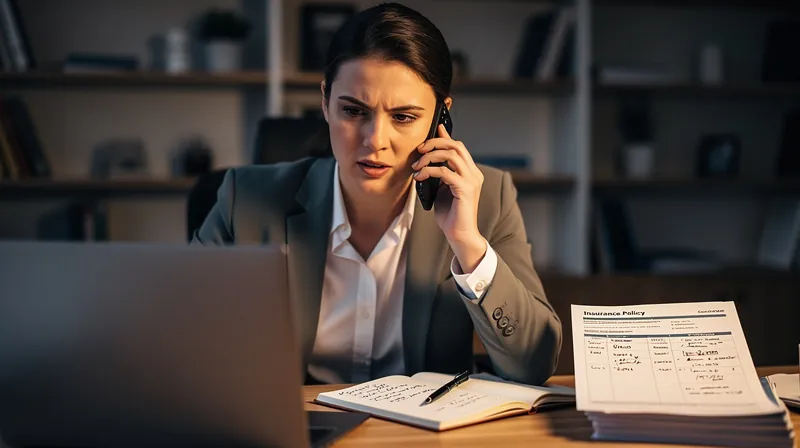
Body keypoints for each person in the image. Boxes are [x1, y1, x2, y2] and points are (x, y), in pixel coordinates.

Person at [193, 2, 562, 386]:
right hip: (296, 417)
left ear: (440, 117)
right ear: (325, 102)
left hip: (421, 423)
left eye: (403, 117)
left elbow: (534, 365)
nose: (375, 141)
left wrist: (468, 244)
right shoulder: (244, 200)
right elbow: (183, 341)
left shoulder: (486, 199)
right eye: (354, 112)